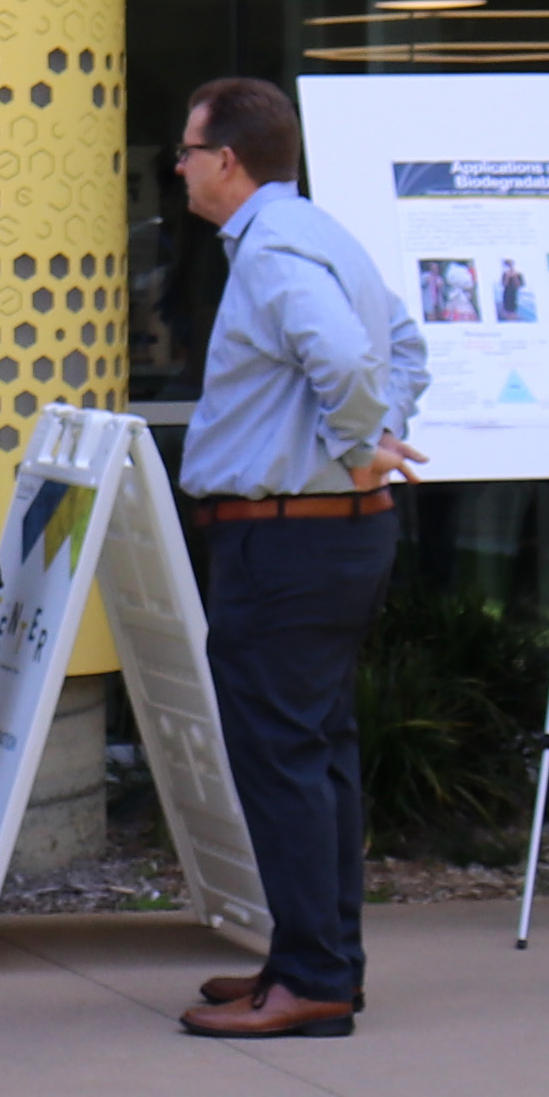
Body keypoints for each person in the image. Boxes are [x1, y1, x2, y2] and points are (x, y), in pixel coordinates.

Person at [167, 76, 426, 1038]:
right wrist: (377, 437)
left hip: (290, 535)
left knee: (284, 759)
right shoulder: (317, 234)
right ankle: (317, 960)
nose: (181, 167)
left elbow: (354, 360)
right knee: (318, 757)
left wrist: (361, 441)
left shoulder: (274, 249)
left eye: (188, 151)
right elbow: (402, 341)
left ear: (226, 160)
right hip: (329, 531)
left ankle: (312, 976)